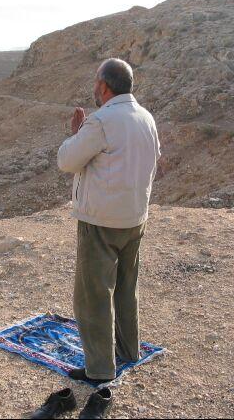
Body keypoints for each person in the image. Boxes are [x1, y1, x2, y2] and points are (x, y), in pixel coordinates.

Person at [57, 58, 161, 387]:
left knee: (94, 296)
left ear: (104, 86)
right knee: (126, 289)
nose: (94, 87)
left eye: (95, 82)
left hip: (100, 221)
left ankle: (100, 368)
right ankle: (129, 351)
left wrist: (75, 134)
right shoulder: (146, 117)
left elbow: (67, 161)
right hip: (135, 217)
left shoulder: (101, 121)